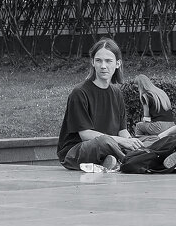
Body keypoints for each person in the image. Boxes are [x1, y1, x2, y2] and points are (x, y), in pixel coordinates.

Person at [57, 38, 144, 171]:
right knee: (104, 142)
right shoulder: (79, 93)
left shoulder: (116, 92)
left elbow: (122, 131)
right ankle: (131, 162)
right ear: (93, 62)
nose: (103, 66)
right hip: (76, 152)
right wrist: (121, 142)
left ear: (118, 63)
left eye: (108, 61)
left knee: (148, 140)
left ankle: (116, 161)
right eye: (98, 60)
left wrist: (132, 142)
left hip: (110, 146)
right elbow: (85, 135)